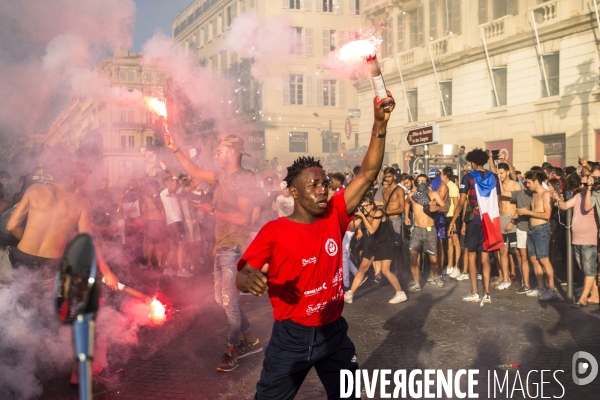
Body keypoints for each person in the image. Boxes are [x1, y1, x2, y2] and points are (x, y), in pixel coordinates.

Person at [234, 93, 395, 398]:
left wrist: (379, 124)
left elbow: (368, 174)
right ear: (294, 193)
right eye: (313, 186)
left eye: (324, 184)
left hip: (333, 333)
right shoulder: (274, 231)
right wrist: (248, 279)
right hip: (291, 339)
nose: (323, 190)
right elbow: (241, 275)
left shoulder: (335, 212)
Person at [163, 132, 262, 372]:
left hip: (235, 247)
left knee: (229, 302)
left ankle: (232, 350)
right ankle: (251, 341)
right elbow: (196, 172)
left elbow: (244, 218)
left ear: (231, 153)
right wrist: (175, 147)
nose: (216, 154)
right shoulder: (221, 176)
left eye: (219, 151)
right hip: (222, 246)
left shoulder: (244, 179)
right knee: (224, 300)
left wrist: (211, 211)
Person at [448, 148, 502, 306]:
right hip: (489, 221)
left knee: (471, 256)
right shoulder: (494, 177)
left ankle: (474, 292)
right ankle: (487, 294)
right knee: (485, 258)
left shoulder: (468, 177)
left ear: (472, 162)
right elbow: (497, 201)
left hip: (474, 221)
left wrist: (454, 222)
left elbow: (461, 202)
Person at [345, 193, 406, 304]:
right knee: (363, 267)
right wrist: (351, 216)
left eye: (367, 205)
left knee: (385, 270)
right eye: (363, 206)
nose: (366, 208)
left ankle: (400, 293)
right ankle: (350, 294)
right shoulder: (363, 213)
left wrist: (363, 216)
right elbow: (352, 228)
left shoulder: (379, 212)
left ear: (372, 204)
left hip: (386, 242)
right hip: (375, 242)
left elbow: (372, 230)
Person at [555, 169, 599, 307]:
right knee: (585, 269)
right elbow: (566, 206)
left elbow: (586, 207)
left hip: (589, 239)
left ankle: (583, 298)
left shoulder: (594, 196)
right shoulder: (579, 195)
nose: (582, 186)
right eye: (581, 183)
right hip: (577, 239)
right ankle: (595, 295)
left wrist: (590, 189)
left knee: (589, 269)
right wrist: (558, 200)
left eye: (585, 184)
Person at [517, 171, 558, 301]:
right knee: (534, 259)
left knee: (544, 259)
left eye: (529, 182)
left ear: (536, 181)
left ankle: (551, 289)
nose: (527, 185)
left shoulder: (545, 194)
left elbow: (546, 215)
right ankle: (541, 287)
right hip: (532, 229)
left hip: (541, 229)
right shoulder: (534, 195)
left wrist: (527, 212)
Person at [406, 175, 449, 291]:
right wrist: (406, 216)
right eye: (419, 181)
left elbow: (446, 208)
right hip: (417, 230)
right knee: (412, 256)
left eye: (423, 181)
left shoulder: (433, 194)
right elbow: (406, 202)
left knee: (434, 259)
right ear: (416, 182)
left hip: (430, 229)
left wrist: (438, 208)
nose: (421, 183)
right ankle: (417, 282)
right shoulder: (412, 196)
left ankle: (436, 276)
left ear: (427, 183)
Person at [495, 163, 521, 290]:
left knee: (517, 251)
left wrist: (512, 221)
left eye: (501, 173)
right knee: (503, 250)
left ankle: (523, 279)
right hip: (501, 218)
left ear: (507, 172)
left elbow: (519, 205)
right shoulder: (498, 186)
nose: (499, 176)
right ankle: (506, 279)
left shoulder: (515, 185)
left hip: (512, 218)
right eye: (498, 173)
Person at [159, 175, 190, 277]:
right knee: (181, 244)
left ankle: (168, 269)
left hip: (176, 222)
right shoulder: (164, 193)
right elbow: (173, 187)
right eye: (171, 182)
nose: (174, 184)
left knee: (173, 246)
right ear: (166, 185)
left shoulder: (173, 194)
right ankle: (181, 269)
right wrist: (175, 176)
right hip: (174, 222)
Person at [381, 167, 405, 275]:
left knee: (398, 247)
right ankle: (389, 272)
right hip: (386, 221)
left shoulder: (399, 190)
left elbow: (402, 208)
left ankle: (400, 273)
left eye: (389, 176)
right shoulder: (384, 190)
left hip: (396, 220)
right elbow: (384, 206)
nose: (387, 179)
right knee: (387, 248)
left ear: (394, 176)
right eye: (386, 177)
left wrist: (387, 212)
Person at [442, 167, 461, 279]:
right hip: (447, 216)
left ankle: (457, 267)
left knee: (455, 242)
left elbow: (456, 204)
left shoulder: (452, 186)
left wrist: (454, 221)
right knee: (449, 242)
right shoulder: (446, 186)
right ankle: (449, 266)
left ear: (445, 175)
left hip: (453, 216)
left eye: (441, 175)